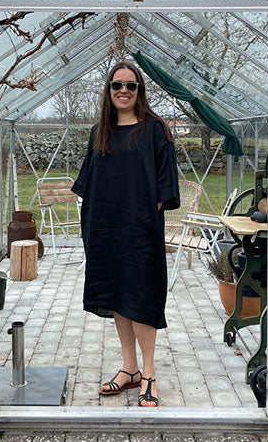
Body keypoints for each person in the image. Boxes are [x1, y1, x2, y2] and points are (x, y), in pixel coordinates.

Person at [71, 61, 180, 408]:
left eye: (130, 86)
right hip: (104, 230)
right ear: (108, 90)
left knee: (142, 298)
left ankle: (149, 373)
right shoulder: (99, 132)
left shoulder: (154, 131)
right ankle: (129, 368)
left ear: (139, 91)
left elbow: (166, 187)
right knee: (118, 296)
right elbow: (88, 184)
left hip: (140, 232)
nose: (123, 91)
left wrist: (145, 221)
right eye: (117, 85)